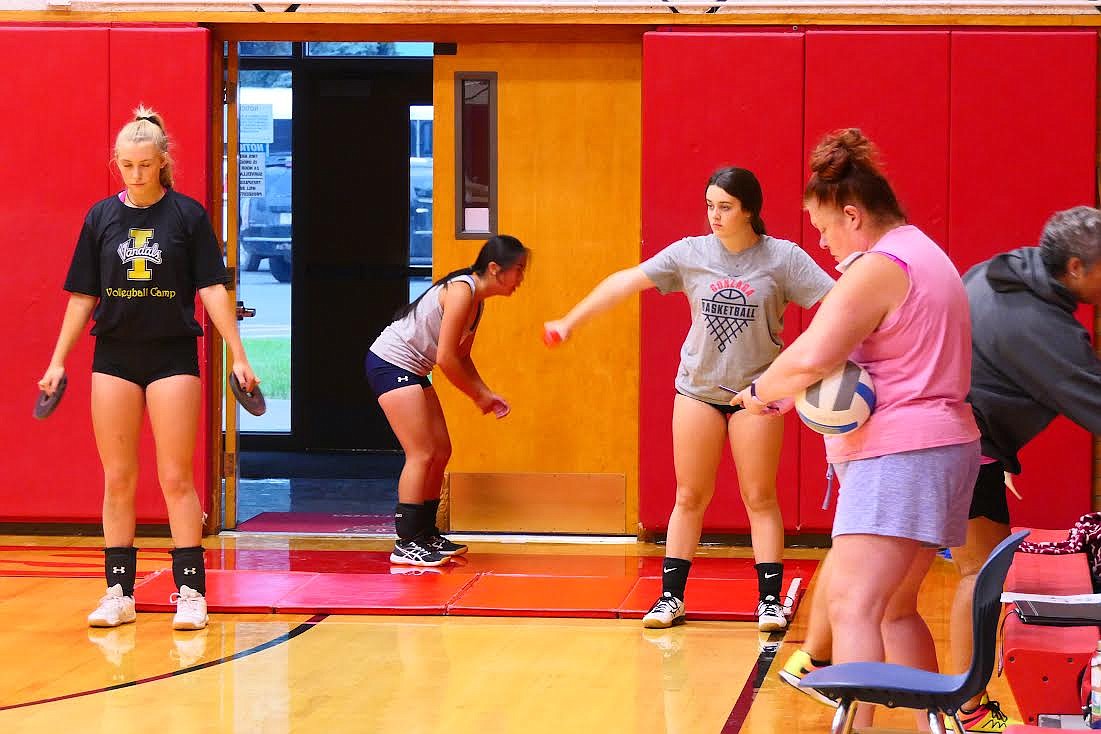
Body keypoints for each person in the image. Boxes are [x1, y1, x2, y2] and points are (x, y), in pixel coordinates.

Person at [781, 206, 1101, 732]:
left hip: (942, 442)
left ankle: (814, 660)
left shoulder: (1006, 269)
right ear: (1072, 268)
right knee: (961, 578)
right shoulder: (1040, 326)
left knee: (872, 574)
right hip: (961, 449)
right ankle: (968, 712)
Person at [732, 128, 980, 729]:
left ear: (852, 214)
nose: (821, 242)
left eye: (823, 228)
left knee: (852, 605)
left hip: (901, 455)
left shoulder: (877, 267)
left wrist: (758, 394)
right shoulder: (924, 250)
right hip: (942, 446)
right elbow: (869, 363)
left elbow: (813, 356)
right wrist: (795, 399)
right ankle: (931, 725)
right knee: (895, 609)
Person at [544, 167, 834, 631]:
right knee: (689, 495)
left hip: (756, 395)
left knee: (759, 495)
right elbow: (625, 281)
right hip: (697, 391)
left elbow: (840, 306)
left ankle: (769, 602)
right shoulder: (690, 253)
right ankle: (669, 598)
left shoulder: (783, 258)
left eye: (725, 207)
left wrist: (804, 373)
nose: (714, 216)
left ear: (749, 211)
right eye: (709, 206)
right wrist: (571, 320)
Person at [37, 106, 259, 632]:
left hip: (171, 356)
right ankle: (118, 590)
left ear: (163, 162)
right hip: (114, 356)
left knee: (176, 476)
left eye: (145, 165)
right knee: (118, 478)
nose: (135, 174)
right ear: (117, 164)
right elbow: (82, 296)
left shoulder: (187, 216)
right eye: (126, 166)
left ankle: (190, 592)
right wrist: (57, 359)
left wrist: (239, 353)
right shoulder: (100, 218)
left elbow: (211, 290)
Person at [367, 235, 529, 567]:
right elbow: (445, 359)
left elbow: (461, 357)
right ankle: (406, 542)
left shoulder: (476, 302)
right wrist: (478, 395)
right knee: (422, 452)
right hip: (390, 364)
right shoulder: (461, 290)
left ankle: (425, 532)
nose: (521, 279)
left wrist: (485, 393)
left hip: (411, 369)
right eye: (519, 270)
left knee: (442, 450)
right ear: (495, 269)